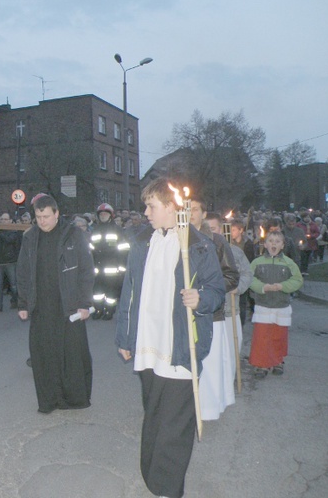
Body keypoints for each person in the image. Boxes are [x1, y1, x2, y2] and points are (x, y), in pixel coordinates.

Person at [115, 178, 225, 498]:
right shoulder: (141, 243)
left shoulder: (198, 245)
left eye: (151, 205)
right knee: (154, 414)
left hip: (180, 347)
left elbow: (216, 291)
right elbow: (129, 294)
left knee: (175, 426)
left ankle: (168, 486)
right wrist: (125, 337)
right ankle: (152, 476)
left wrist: (200, 299)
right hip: (149, 347)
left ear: (170, 206)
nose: (146, 212)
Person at [17, 194, 95, 414]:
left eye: (46, 216)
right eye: (39, 217)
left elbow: (86, 271)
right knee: (44, 355)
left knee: (72, 353)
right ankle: (49, 399)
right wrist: (23, 303)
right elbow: (23, 271)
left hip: (69, 305)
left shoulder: (74, 235)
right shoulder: (30, 237)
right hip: (41, 306)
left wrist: (84, 302)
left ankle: (75, 398)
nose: (42, 221)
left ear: (57, 214)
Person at [189, 203, 239, 423]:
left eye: (195, 209)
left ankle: (208, 408)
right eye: (186, 208)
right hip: (182, 315)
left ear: (203, 214)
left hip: (211, 314)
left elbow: (231, 276)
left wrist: (205, 294)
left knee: (209, 366)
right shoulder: (175, 240)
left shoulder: (216, 242)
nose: (190, 213)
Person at [204, 213, 252, 420]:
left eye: (214, 229)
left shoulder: (234, 252)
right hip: (212, 313)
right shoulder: (200, 250)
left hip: (229, 311)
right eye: (209, 229)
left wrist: (237, 289)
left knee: (231, 351)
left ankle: (228, 384)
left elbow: (246, 274)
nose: (211, 232)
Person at [249, 230, 303, 378]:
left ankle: (278, 361)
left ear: (283, 245)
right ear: (265, 244)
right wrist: (262, 287)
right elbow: (249, 279)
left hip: (281, 306)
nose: (274, 243)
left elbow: (297, 280)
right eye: (271, 241)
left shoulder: (289, 263)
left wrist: (283, 286)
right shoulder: (257, 262)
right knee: (261, 337)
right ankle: (261, 364)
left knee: (278, 336)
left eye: (277, 241)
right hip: (263, 306)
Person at [90, 203, 130, 320]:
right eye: (101, 214)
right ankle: (98, 309)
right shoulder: (95, 230)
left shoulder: (117, 230)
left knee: (110, 293)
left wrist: (122, 268)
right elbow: (91, 248)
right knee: (97, 292)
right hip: (97, 266)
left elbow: (123, 249)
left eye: (105, 214)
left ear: (110, 216)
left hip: (112, 267)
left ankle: (109, 311)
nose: (103, 216)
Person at [0, 212, 21, 313]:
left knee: (14, 285)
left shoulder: (14, 232)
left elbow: (8, 240)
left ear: (10, 221)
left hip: (10, 262)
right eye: (2, 219)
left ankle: (15, 301)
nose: (3, 221)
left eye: (6, 219)